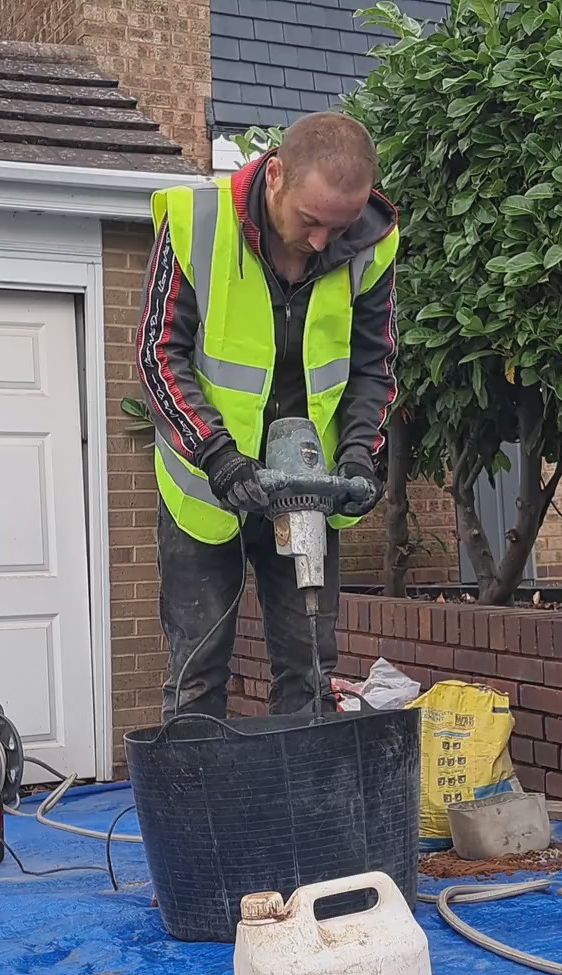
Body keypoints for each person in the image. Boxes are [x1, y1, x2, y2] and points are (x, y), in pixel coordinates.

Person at [134, 111, 400, 721]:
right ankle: (195, 816)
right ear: (275, 174)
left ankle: (297, 813)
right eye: (310, 221)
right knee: (197, 677)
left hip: (308, 488)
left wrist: (360, 454)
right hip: (206, 489)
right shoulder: (198, 225)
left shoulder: (370, 246)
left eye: (339, 226)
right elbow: (157, 355)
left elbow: (374, 366)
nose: (321, 242)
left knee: (308, 674)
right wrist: (218, 455)